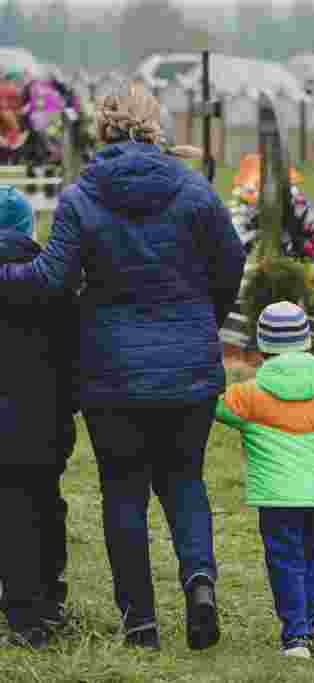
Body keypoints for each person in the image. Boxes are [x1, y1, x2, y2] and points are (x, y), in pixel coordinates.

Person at [0, 82, 246, 651]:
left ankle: (140, 620)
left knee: (123, 491)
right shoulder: (194, 190)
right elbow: (231, 264)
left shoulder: (82, 196)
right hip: (189, 367)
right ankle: (199, 580)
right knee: (185, 481)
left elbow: (48, 279)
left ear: (103, 131)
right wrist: (202, 316)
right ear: (155, 127)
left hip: (112, 372)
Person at [215, 301, 314, 659]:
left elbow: (217, 407)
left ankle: (296, 637)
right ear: (306, 341)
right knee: (313, 552)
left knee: (285, 560)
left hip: (276, 495)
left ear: (263, 344)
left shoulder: (249, 394)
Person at [0, 187, 78, 649]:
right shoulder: (53, 279)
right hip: (41, 416)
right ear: (30, 227)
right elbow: (73, 349)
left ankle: (21, 600)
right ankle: (42, 603)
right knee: (42, 504)